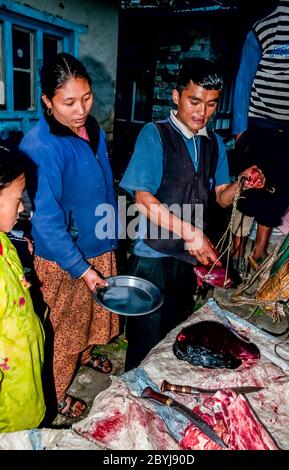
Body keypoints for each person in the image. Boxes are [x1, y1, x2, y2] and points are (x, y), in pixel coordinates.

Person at [120, 58, 265, 371]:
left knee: (175, 328)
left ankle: (163, 383)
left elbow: (222, 197)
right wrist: (190, 232)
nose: (202, 112)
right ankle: (133, 393)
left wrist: (242, 183)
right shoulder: (155, 134)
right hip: (153, 252)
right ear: (176, 96)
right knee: (144, 334)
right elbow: (143, 198)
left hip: (186, 257)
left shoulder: (213, 143)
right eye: (194, 101)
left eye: (211, 104)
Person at [20, 53, 119, 418]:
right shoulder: (42, 146)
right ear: (47, 101)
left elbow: (106, 185)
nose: (81, 110)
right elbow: (46, 222)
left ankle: (87, 354)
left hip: (97, 244)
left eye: (87, 97)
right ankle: (57, 395)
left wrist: (110, 236)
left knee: (90, 320)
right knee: (63, 335)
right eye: (69, 102)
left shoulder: (92, 130)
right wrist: (84, 269)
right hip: (65, 260)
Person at [231, 0, 289, 263]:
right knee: (250, 188)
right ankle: (236, 248)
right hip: (260, 125)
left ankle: (258, 251)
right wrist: (240, 133)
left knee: (280, 189)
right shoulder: (264, 28)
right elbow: (243, 82)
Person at [0, 145, 45, 432]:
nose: (23, 208)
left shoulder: (4, 242)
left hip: (24, 386)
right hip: (8, 416)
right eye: (17, 199)